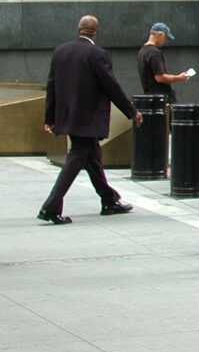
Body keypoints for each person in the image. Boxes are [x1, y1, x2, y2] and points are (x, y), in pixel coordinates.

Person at [38, 15, 143, 224]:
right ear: (95, 32)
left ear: (79, 30)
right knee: (76, 159)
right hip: (88, 119)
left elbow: (51, 86)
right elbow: (111, 86)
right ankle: (50, 207)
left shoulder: (60, 52)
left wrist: (50, 117)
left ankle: (109, 200)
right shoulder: (97, 54)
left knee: (92, 158)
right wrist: (131, 111)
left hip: (68, 117)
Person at [137, 22, 190, 102]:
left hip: (150, 97)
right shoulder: (154, 52)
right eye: (165, 38)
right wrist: (179, 77)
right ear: (160, 35)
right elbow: (159, 77)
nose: (165, 41)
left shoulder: (142, 51)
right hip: (161, 99)